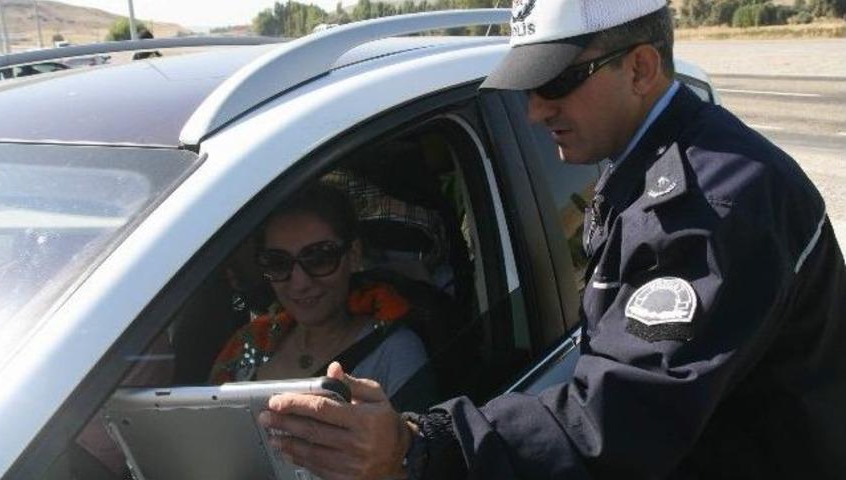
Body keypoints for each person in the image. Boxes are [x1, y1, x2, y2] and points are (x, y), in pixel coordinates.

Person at [257, 2, 846, 479]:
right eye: (527, 87)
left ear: (640, 68)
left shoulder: (711, 207)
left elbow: (618, 420)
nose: (536, 111)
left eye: (556, 82)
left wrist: (416, 445)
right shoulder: (649, 164)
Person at [209, 183, 430, 401]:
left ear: (353, 255)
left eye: (319, 258)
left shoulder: (394, 352)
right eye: (278, 263)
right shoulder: (250, 344)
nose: (300, 283)